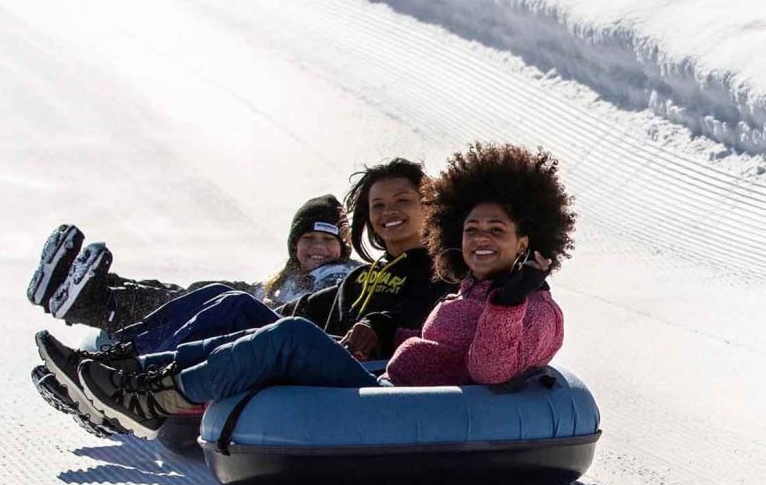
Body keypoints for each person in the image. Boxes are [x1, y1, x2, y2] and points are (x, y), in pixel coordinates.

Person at [70, 143, 576, 439]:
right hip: (378, 385)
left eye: (495, 230)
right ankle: (136, 377)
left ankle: (156, 397)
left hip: (393, 399)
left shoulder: (532, 306)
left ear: (526, 241)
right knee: (256, 315)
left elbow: (492, 370)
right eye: (470, 230)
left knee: (290, 336)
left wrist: (510, 300)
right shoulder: (465, 287)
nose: (479, 239)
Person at [36, 157, 450, 434]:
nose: (387, 211)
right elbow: (300, 308)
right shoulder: (365, 276)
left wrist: (380, 322)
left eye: (402, 201)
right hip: (326, 353)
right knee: (231, 301)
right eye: (378, 204)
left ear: (428, 207)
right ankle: (123, 365)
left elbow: (436, 305)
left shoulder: (441, 266)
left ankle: (147, 391)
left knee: (286, 330)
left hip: (364, 374)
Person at [30, 194, 357, 435]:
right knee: (205, 293)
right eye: (308, 238)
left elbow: (308, 315)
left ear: (343, 247)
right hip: (267, 333)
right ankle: (98, 299)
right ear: (293, 245)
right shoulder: (284, 281)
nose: (318, 247)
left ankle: (121, 352)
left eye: (327, 240)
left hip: (295, 350)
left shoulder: (342, 274)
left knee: (232, 304)